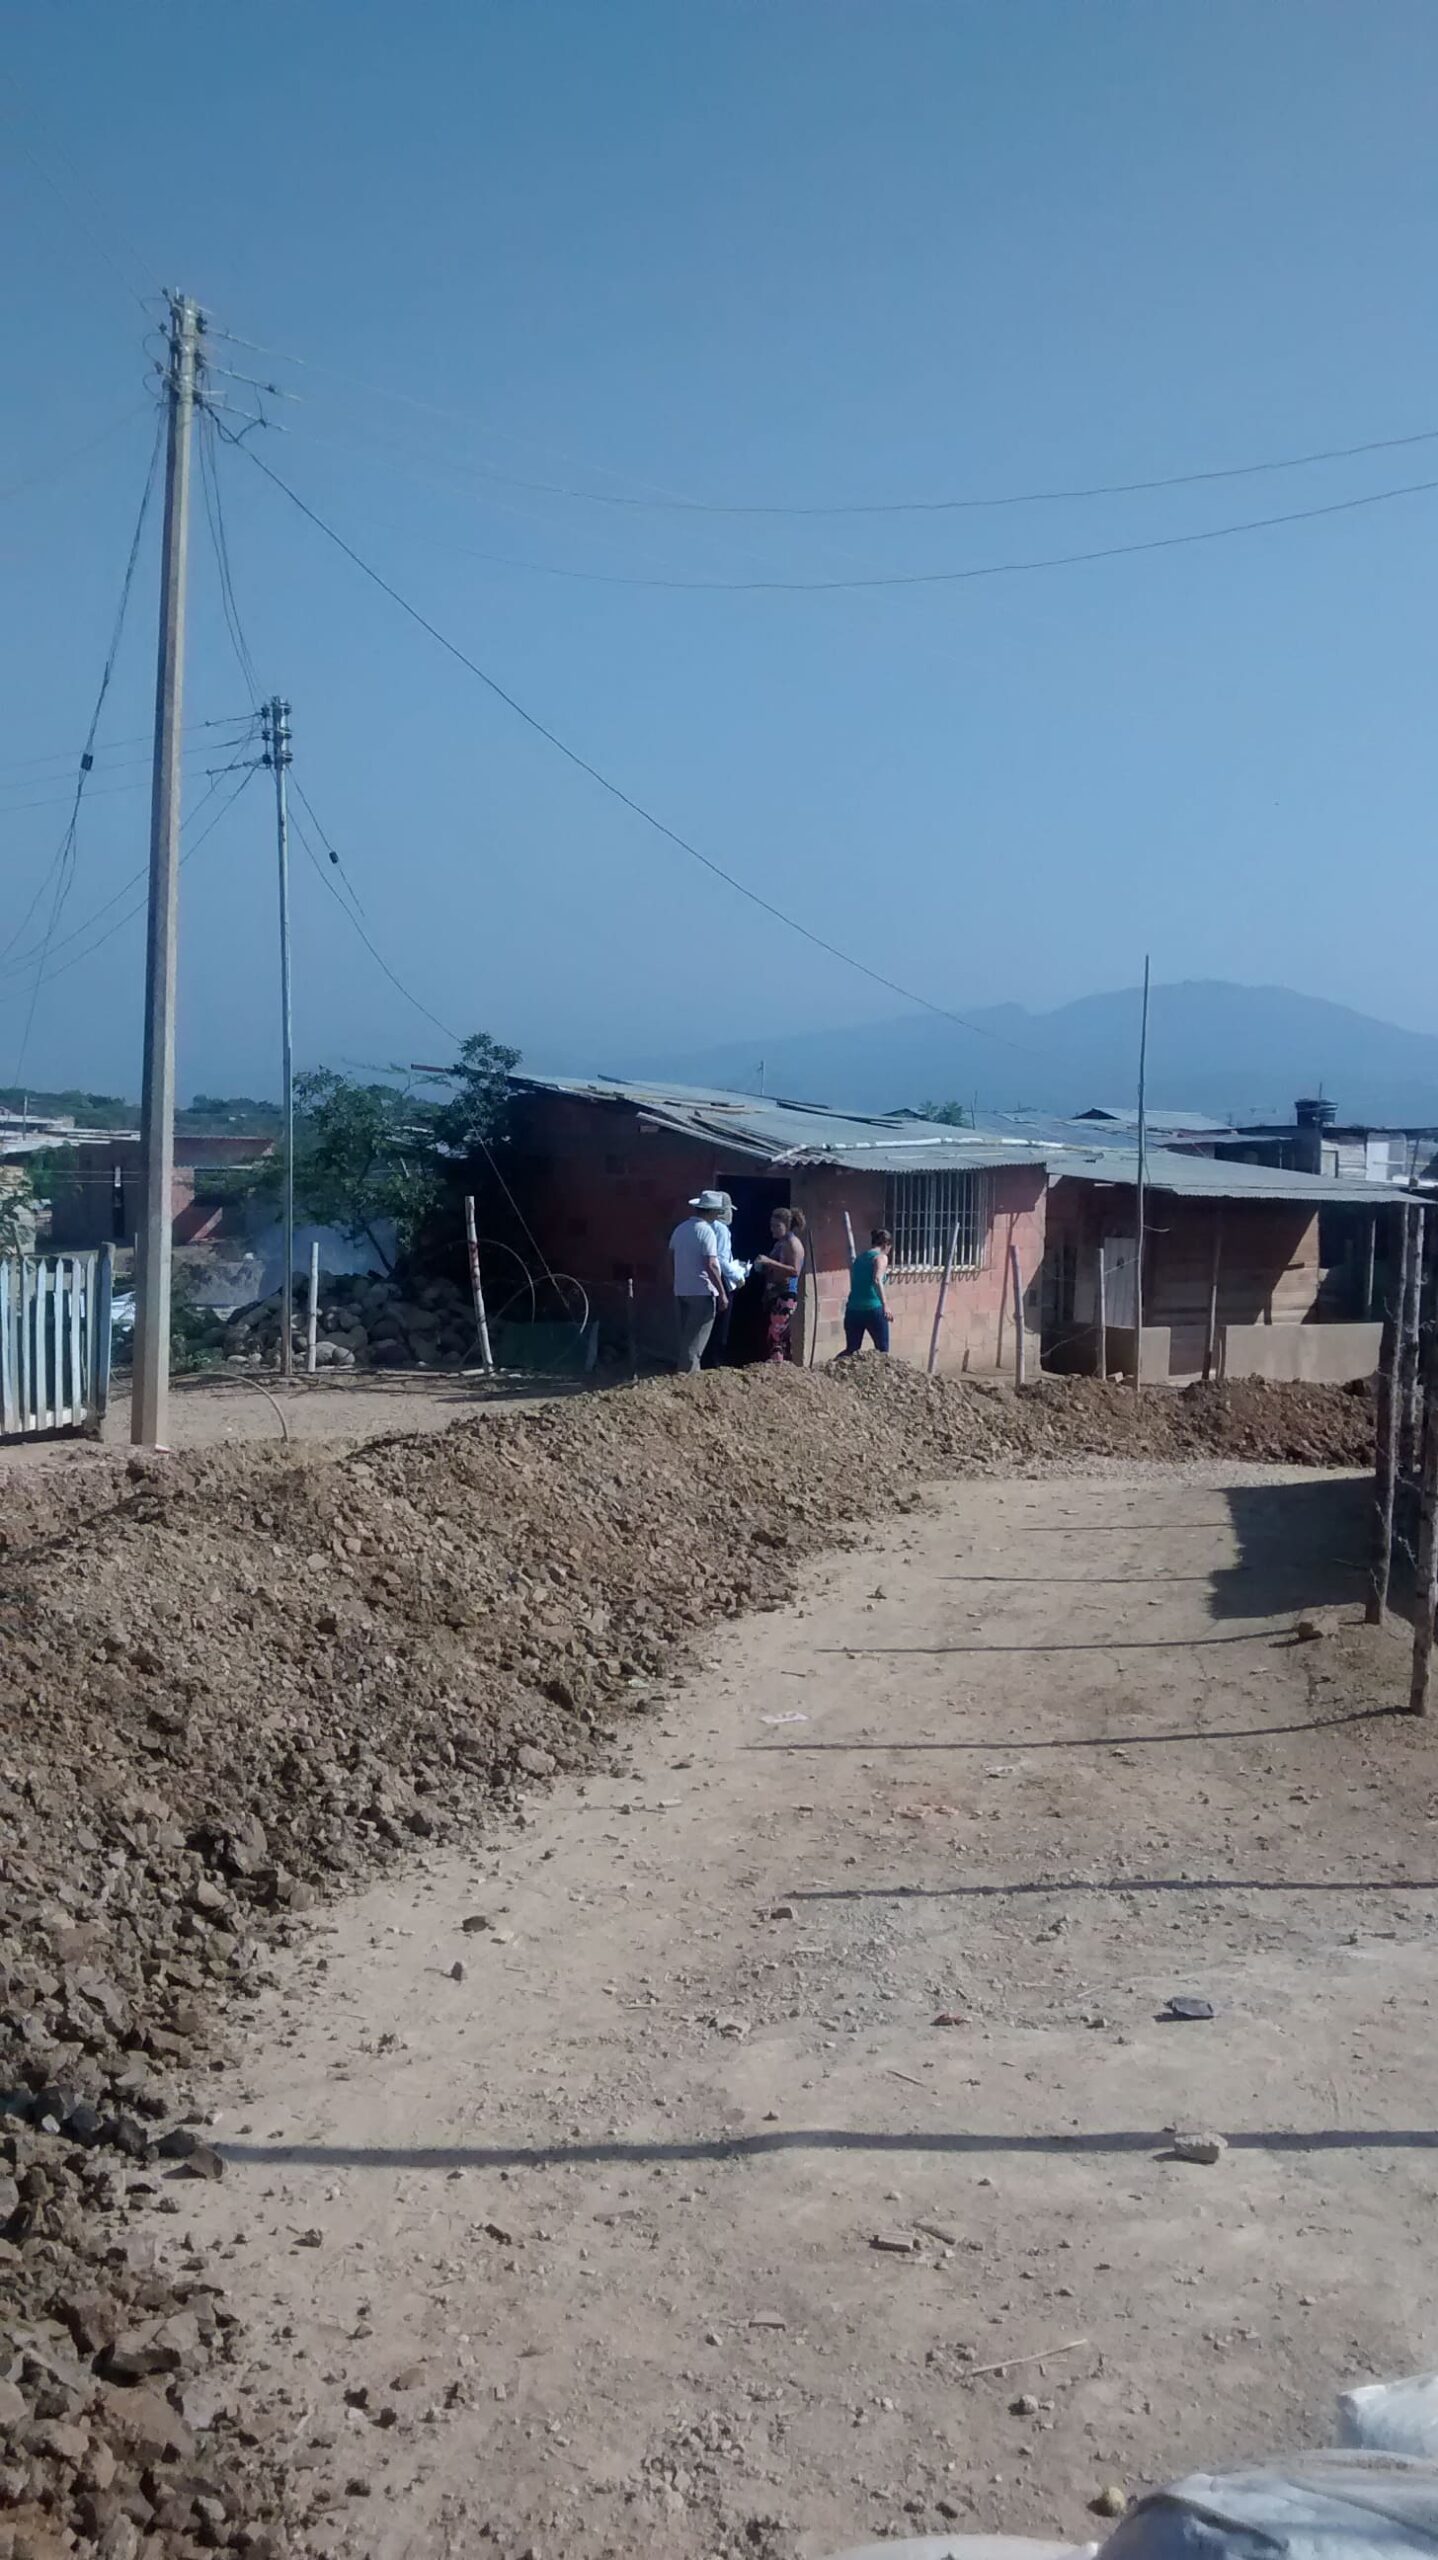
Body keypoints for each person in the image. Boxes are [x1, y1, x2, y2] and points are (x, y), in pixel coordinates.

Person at [669, 1191, 729, 1372]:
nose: (718, 1215)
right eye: (717, 1212)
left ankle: (688, 1374)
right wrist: (722, 1293)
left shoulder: (681, 1229)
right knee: (695, 1343)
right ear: (711, 1211)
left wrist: (676, 1280)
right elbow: (711, 1264)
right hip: (701, 1292)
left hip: (682, 1290)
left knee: (686, 1337)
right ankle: (687, 1377)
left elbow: (670, 1257)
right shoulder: (706, 1231)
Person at [753, 1206, 806, 1365]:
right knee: (777, 1333)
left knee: (777, 1334)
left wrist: (769, 1262)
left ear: (787, 1226)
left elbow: (794, 1271)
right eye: (772, 1225)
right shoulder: (780, 1243)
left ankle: (778, 1367)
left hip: (785, 1294)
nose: (773, 1229)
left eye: (777, 1226)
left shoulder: (793, 1244)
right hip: (775, 1293)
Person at [702, 1193, 748, 1368]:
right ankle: (715, 1362)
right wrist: (738, 1276)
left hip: (706, 1278)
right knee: (721, 1324)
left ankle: (707, 1360)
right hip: (720, 1278)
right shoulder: (721, 1229)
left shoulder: (704, 1226)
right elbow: (720, 1259)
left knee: (708, 1322)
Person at [840, 1226, 892, 1357]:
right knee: (882, 1351)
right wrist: (885, 1305)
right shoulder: (881, 1258)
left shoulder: (859, 1258)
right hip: (873, 1309)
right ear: (886, 1245)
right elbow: (877, 1279)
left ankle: (831, 1368)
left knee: (851, 1350)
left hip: (853, 1309)